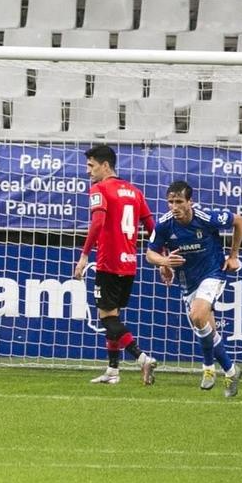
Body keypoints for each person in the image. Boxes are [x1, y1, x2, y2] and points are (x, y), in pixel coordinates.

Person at [145, 181, 242, 397]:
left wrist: (234, 255)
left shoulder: (206, 218)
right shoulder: (164, 225)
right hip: (188, 282)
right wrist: (164, 262)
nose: (174, 207)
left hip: (213, 273)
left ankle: (209, 368)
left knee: (197, 315)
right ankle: (228, 370)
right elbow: (149, 254)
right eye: (170, 202)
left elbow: (239, 221)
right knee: (204, 325)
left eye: (179, 202)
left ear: (190, 202)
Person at [72, 143, 158, 385]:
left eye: (91, 166)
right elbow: (152, 228)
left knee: (107, 318)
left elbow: (97, 223)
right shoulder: (134, 191)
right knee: (113, 316)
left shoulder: (100, 189)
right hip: (130, 264)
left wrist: (84, 256)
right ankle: (112, 371)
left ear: (105, 165)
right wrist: (161, 257)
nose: (88, 171)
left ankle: (142, 358)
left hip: (108, 262)